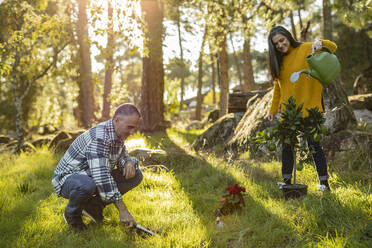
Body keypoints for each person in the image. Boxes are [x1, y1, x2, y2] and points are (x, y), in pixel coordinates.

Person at [52, 103, 143, 231]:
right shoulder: (100, 137)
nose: (133, 132)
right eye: (130, 127)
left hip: (91, 176)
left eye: (135, 128)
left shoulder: (117, 133)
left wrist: (128, 162)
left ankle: (93, 207)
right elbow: (102, 177)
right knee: (87, 185)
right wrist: (122, 210)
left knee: (136, 175)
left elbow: (123, 155)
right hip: (68, 179)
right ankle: (72, 215)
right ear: (117, 120)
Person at [267, 26, 336, 191]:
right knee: (287, 146)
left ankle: (324, 183)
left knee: (314, 146)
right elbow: (278, 88)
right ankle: (286, 181)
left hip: (310, 107)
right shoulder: (279, 62)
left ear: (288, 37)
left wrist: (320, 43)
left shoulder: (307, 48)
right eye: (276, 44)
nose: (280, 45)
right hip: (289, 112)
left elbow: (332, 47)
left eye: (282, 40)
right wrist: (273, 109)